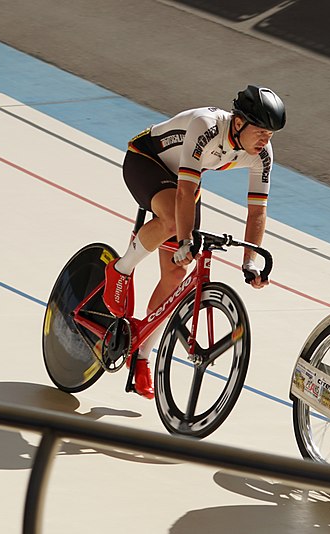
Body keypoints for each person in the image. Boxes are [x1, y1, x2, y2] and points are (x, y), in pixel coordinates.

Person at [101, 85, 286, 399]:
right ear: (239, 124)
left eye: (270, 135)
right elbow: (185, 195)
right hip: (146, 161)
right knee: (174, 222)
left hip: (187, 179)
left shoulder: (262, 155)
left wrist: (249, 261)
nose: (265, 141)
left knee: (174, 277)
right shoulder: (207, 126)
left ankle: (142, 356)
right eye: (260, 132)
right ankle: (120, 269)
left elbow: (257, 212)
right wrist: (185, 240)